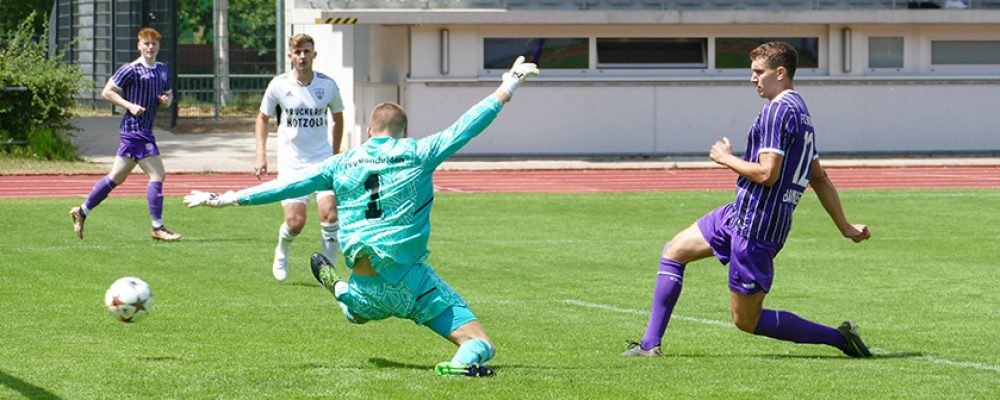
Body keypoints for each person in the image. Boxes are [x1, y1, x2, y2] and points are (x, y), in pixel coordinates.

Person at [183, 56, 540, 377]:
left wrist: (225, 198)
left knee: (356, 312)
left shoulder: (341, 163)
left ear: (368, 132)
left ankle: (341, 290)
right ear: (404, 132)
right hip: (414, 286)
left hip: (366, 288)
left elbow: (286, 185)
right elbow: (467, 125)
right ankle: (461, 365)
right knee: (480, 345)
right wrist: (509, 85)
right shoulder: (417, 152)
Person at [623, 42, 874, 358]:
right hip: (742, 211)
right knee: (675, 251)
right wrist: (845, 226)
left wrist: (725, 158)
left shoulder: (778, 111)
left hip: (757, 223)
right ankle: (649, 346)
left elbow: (768, 173)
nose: (752, 79)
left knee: (746, 320)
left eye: (759, 72)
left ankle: (839, 338)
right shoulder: (802, 112)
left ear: (779, 73)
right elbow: (818, 177)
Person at [69, 27, 180, 241]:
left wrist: (166, 101)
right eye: (146, 43)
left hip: (143, 129)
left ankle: (82, 211)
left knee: (116, 178)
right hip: (135, 130)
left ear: (159, 46)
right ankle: (158, 227)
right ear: (139, 45)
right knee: (158, 175)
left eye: (153, 43)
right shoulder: (130, 69)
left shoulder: (162, 69)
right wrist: (129, 105)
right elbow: (107, 92)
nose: (150, 47)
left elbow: (168, 95)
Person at [255, 33, 345, 282]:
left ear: (314, 54)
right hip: (291, 162)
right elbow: (262, 118)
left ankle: (329, 271)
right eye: (298, 52)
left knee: (330, 215)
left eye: (306, 51)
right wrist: (261, 155)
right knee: (295, 223)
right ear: (290, 55)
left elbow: (338, 118)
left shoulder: (327, 85)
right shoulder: (279, 85)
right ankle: (282, 249)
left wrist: (335, 153)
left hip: (322, 160)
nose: (302, 56)